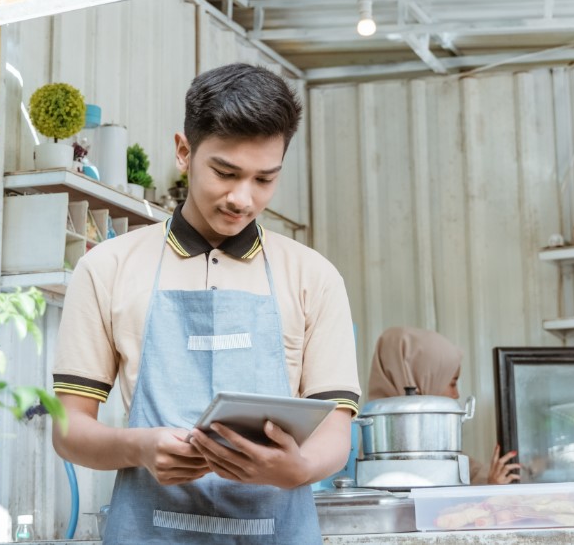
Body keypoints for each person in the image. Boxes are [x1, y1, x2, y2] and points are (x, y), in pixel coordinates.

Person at [51, 63, 361, 544]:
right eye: (225, 172)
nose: (243, 198)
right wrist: (140, 448)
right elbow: (68, 429)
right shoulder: (107, 268)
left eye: (265, 179)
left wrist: (295, 468)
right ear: (184, 151)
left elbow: (335, 435)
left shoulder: (314, 277)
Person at [367, 326, 520, 485]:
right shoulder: (378, 452)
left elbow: (472, 474)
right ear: (418, 381)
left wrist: (493, 483)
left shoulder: (437, 444)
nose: (457, 394)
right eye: (452, 383)